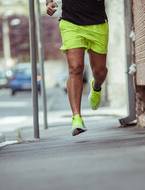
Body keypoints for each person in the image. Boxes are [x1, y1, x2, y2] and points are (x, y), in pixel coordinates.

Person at [46, 0, 109, 136]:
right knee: (75, 68)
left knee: (100, 72)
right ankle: (76, 118)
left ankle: (96, 86)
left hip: (98, 23)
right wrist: (49, 2)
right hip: (71, 23)